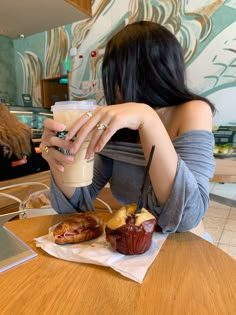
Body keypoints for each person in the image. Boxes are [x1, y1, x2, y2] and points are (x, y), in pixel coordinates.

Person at [40, 21, 216, 241]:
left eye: (117, 77)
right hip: (130, 249)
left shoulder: (193, 111)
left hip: (185, 250)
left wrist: (147, 118)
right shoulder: (116, 127)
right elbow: (77, 205)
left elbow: (187, 218)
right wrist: (59, 162)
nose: (114, 88)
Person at [0, 103, 40, 180]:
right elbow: (36, 162)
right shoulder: (24, 132)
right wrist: (46, 150)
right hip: (29, 180)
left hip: (4, 185)